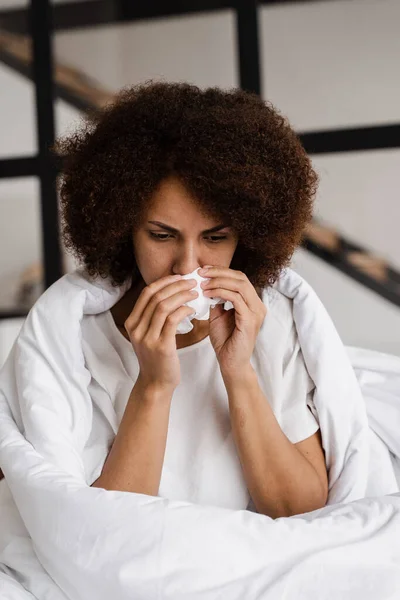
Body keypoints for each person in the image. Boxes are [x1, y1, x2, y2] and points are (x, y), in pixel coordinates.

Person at [55, 80, 328, 518]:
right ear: (123, 227)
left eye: (215, 237)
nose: (187, 265)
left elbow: (301, 510)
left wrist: (237, 370)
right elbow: (98, 531)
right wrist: (154, 385)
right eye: (162, 235)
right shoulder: (75, 336)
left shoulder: (273, 321)